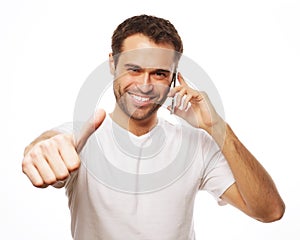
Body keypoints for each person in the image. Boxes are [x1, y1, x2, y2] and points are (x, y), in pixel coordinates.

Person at [22, 14, 285, 240]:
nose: (145, 85)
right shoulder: (79, 138)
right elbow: (50, 144)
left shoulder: (196, 143)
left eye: (159, 73)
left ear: (174, 77)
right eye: (134, 69)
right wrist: (41, 150)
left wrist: (216, 126)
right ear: (112, 64)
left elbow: (270, 211)